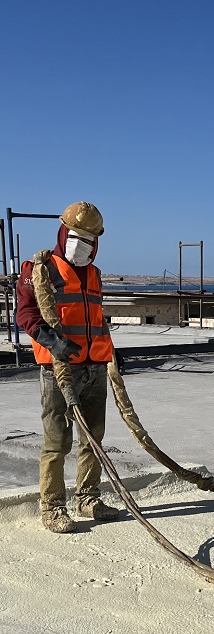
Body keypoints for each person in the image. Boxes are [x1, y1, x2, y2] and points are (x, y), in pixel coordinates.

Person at [15, 202, 120, 534]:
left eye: (89, 239)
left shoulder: (94, 274)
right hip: (59, 370)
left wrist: (110, 355)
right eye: (76, 236)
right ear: (63, 233)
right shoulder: (40, 268)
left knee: (93, 439)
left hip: (95, 369)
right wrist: (50, 340)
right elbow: (26, 313)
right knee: (57, 442)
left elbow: (96, 321)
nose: (82, 244)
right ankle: (53, 506)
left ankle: (88, 498)